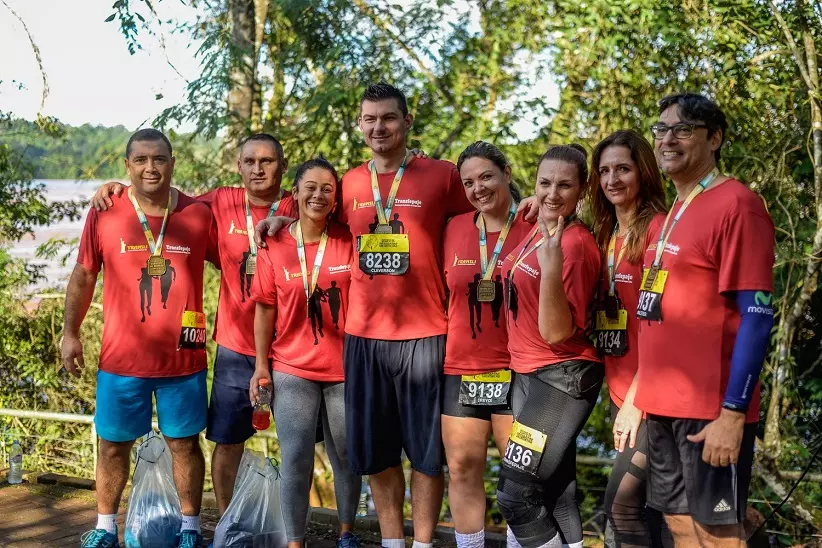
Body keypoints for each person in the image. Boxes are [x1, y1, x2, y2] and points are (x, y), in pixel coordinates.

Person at [255, 83, 478, 548]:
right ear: (360, 124)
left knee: (426, 457)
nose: (379, 127)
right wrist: (281, 218)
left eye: (389, 117)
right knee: (377, 456)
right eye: (370, 119)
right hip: (364, 340)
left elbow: (484, 216)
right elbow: (314, 211)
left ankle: (422, 543)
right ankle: (392, 543)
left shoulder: (443, 175)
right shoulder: (351, 182)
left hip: (425, 334)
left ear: (407, 121)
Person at [90, 133, 299, 516]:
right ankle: (226, 529)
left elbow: (349, 217)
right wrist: (119, 190)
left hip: (296, 347)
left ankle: (305, 531)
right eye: (250, 161)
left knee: (301, 445)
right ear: (238, 166)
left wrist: (410, 158)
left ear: (283, 167)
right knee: (227, 442)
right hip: (237, 346)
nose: (258, 169)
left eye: (267, 161)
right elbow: (160, 197)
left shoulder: (303, 203)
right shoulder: (218, 202)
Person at [635, 93, 774, 547]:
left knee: (718, 534)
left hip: (710, 410)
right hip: (662, 405)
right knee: (678, 525)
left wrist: (733, 413)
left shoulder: (738, 204)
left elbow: (757, 317)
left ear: (714, 139)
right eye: (661, 129)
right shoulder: (672, 212)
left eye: (683, 129)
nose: (667, 139)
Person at [63, 129, 213, 548]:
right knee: (113, 446)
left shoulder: (199, 214)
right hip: (121, 360)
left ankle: (190, 528)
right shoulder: (106, 212)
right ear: (127, 166)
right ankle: (105, 528)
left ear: (172, 163)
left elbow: (243, 255)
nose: (151, 168)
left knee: (185, 444)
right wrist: (70, 333)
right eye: (141, 160)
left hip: (183, 358)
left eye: (159, 159)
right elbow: (84, 274)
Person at [250, 157, 361, 548]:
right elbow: (265, 308)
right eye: (310, 187)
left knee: (345, 455)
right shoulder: (275, 243)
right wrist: (261, 366)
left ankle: (346, 533)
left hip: (344, 369)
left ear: (336, 199)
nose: (318, 195)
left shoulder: (349, 238)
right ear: (294, 193)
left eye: (327, 189)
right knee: (296, 457)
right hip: (291, 367)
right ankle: (295, 541)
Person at [496, 144, 603, 548]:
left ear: (583, 190)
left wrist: (553, 268)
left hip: (561, 376)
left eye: (564, 186)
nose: (552, 194)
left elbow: (557, 332)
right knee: (557, 494)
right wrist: (538, 204)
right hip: (528, 373)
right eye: (545, 183)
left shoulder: (574, 245)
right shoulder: (542, 225)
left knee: (516, 496)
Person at [441, 141, 532, 548]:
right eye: (468, 182)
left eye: (486, 177)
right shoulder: (454, 228)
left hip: (519, 370)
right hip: (462, 368)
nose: (478, 188)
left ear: (506, 174)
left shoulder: (534, 224)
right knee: (462, 468)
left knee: (520, 474)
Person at [589, 130, 669, 547]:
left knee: (620, 506)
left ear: (643, 172)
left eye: (622, 168)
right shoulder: (605, 233)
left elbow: (664, 324)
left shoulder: (657, 230)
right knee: (651, 512)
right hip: (622, 391)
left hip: (652, 396)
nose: (612, 179)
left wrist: (637, 401)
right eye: (604, 171)